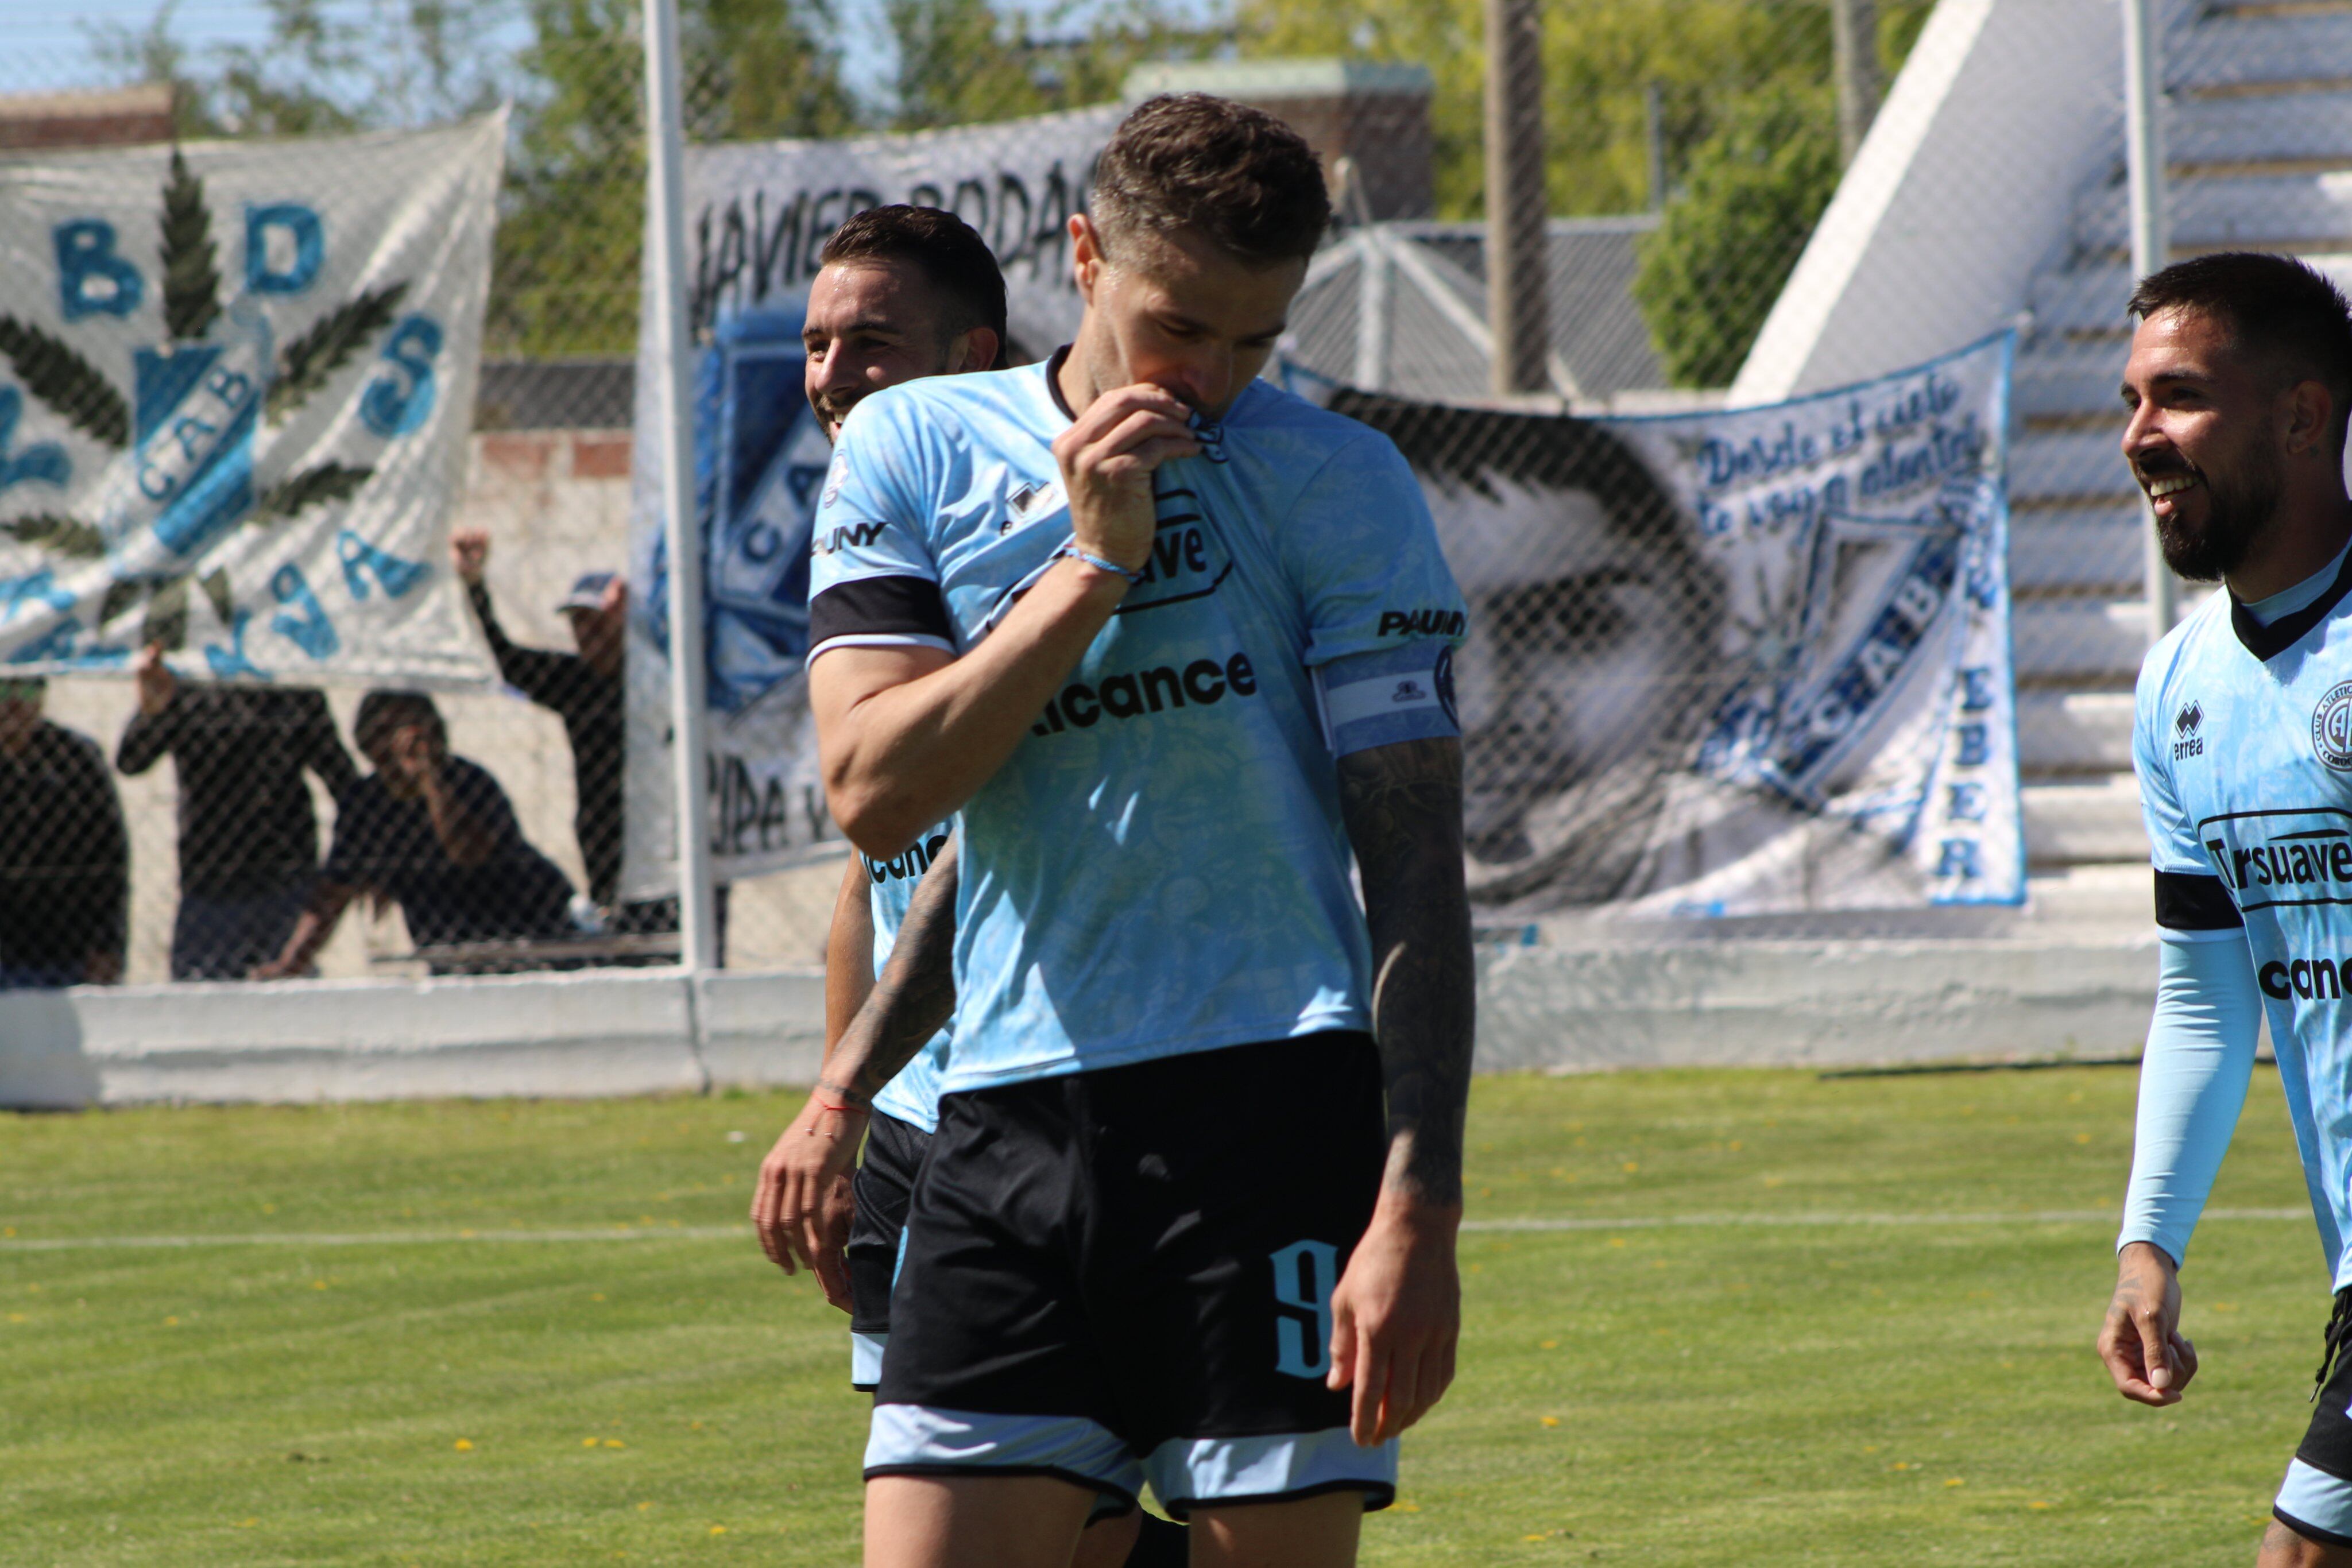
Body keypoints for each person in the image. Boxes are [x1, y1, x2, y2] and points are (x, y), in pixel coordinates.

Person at [755, 95, 1473, 1567]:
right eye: (1180, 328)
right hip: (1005, 1125)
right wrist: (1090, 564)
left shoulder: (1339, 481)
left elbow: (1410, 865)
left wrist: (1420, 1207)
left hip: (1271, 1112)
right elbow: (878, 792)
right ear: (1085, 256)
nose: (1210, 380)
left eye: (1254, 342)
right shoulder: (914, 444)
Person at [757, 204, 1181, 1566]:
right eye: (818, 346)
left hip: (1053, 1104)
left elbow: (967, 847)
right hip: (911, 1133)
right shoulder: (866, 544)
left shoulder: (1043, 534)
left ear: (974, 353)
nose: (830, 376)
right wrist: (846, 1107)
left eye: (870, 346)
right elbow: (867, 872)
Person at [2094, 251, 2352, 1567]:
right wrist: (2152, 1242)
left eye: (2180, 397)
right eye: (2133, 401)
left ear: (2303, 415)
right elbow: (2205, 996)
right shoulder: (2178, 691)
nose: (2141, 437)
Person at [254, 691, 575, 977]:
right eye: (382, 733)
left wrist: (429, 776)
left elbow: (470, 854)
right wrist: (291, 963)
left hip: (530, 933)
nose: (395, 745)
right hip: (450, 952)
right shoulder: (364, 804)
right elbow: (333, 894)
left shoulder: (467, 782)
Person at [115, 644, 357, 979]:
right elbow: (131, 761)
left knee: (290, 1007)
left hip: (286, 882)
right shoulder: (188, 688)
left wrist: (347, 869)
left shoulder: (288, 688)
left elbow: (342, 780)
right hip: (210, 884)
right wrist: (151, 712)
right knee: (200, 1010)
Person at [448, 534, 637, 916]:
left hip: (657, 829)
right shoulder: (575, 681)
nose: (587, 634)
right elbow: (505, 659)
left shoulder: (655, 676)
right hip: (603, 831)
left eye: (597, 621)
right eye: (579, 624)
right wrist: (474, 586)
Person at [0, 675, 126, 988]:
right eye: (3, 689)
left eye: (27, 690)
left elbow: (110, 855)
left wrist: (109, 945)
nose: (14, 702)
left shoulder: (75, 757)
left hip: (64, 951)